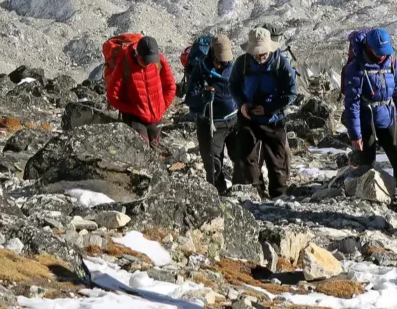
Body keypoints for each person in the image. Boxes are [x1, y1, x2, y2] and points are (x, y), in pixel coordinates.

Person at [230, 28, 297, 198]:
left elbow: (291, 93)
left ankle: (278, 196)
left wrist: (269, 108)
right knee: (247, 158)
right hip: (248, 118)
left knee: (277, 161)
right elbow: (233, 85)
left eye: (263, 54)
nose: (260, 58)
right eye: (256, 54)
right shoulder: (242, 63)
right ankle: (257, 193)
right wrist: (242, 104)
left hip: (274, 119)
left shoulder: (281, 64)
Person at [343, 28, 397, 197]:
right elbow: (352, 104)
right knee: (367, 166)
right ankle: (368, 201)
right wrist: (355, 135)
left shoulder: (391, 62)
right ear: (369, 47)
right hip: (367, 124)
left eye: (385, 52)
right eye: (379, 52)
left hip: (388, 118)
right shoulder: (356, 67)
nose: (382, 56)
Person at [185, 35, 238, 194]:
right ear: (212, 55)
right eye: (220, 62)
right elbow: (190, 99)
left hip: (234, 120)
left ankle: (241, 192)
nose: (223, 65)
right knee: (213, 164)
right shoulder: (200, 70)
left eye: (226, 62)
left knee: (242, 157)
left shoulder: (234, 67)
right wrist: (202, 97)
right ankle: (219, 195)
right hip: (211, 124)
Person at [107, 36, 176, 148]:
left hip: (156, 117)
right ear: (138, 55)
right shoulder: (124, 65)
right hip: (135, 118)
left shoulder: (159, 61)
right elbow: (112, 96)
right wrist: (130, 109)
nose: (148, 64)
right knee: (141, 148)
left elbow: (170, 86)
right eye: (145, 60)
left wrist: (162, 106)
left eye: (151, 60)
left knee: (154, 148)